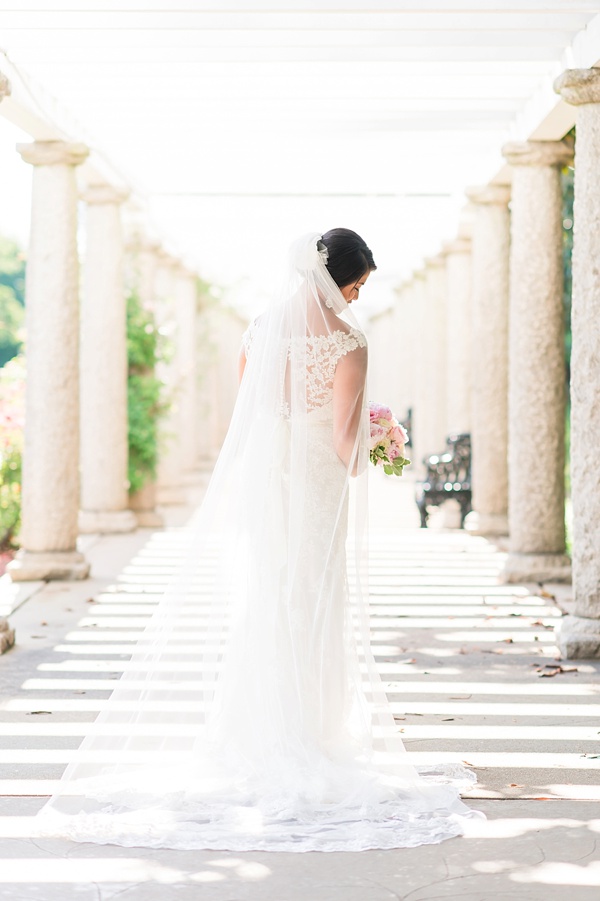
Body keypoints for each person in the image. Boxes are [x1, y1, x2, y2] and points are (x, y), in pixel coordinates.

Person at [35, 229, 483, 851]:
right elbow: (344, 448)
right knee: (314, 597)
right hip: (317, 482)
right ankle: (311, 733)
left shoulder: (259, 332)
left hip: (268, 483)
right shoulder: (350, 343)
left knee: (271, 596)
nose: (357, 296)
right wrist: (382, 441)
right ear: (337, 278)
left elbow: (254, 414)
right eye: (357, 282)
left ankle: (259, 731)